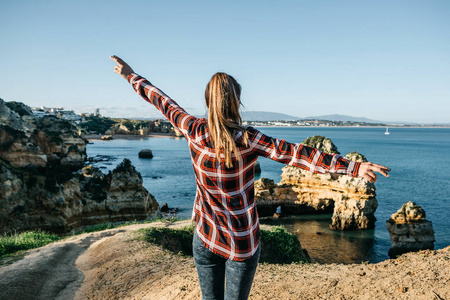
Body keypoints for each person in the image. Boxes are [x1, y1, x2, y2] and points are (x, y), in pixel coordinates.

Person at [110, 55, 390, 300]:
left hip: (205, 236)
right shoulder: (249, 139)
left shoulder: (193, 129)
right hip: (241, 242)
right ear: (237, 102)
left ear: (208, 101)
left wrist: (129, 75)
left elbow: (161, 100)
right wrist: (351, 167)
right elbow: (296, 154)